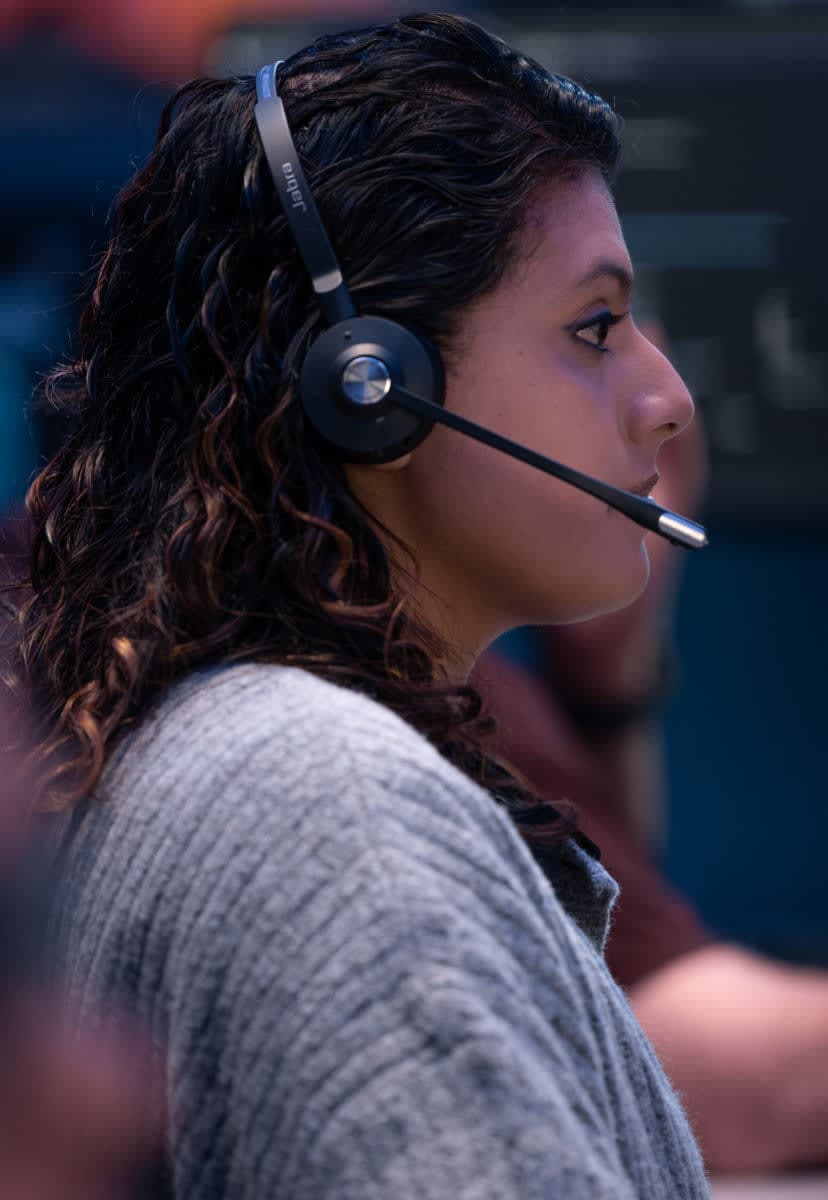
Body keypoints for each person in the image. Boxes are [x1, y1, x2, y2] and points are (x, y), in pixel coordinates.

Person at [16, 13, 709, 1198]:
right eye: (593, 328)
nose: (668, 400)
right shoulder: (336, 812)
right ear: (371, 386)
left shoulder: (224, 736)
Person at [473, 412, 828, 1176]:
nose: (671, 399)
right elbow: (716, 1081)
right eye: (593, 333)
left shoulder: (489, 690)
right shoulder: (427, 704)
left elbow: (608, 977)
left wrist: (608, 681)